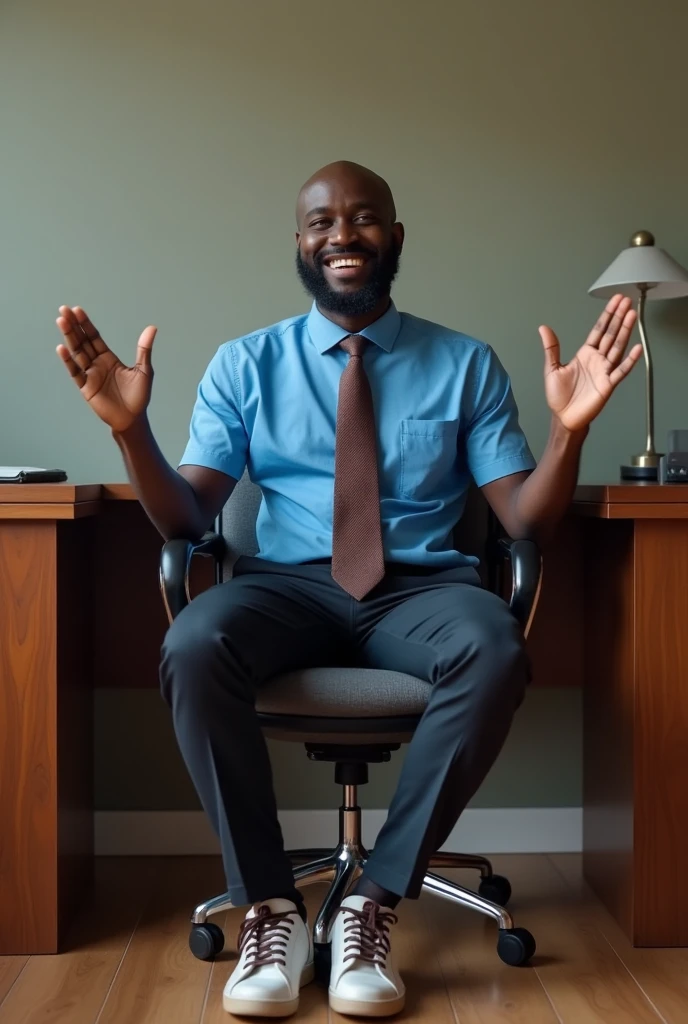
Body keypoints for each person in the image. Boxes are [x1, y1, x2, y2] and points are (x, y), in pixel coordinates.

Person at [55, 160, 640, 1019]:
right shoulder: (245, 364)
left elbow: (524, 525)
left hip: (419, 592)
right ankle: (272, 908)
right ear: (300, 243)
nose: (342, 236)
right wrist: (132, 431)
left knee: (493, 645)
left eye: (362, 219)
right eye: (321, 222)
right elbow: (187, 520)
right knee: (192, 641)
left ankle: (375, 902)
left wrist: (567, 431)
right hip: (285, 589)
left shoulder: (464, 364)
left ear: (394, 238)